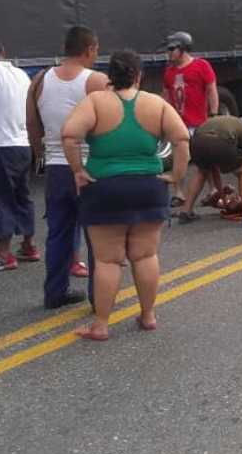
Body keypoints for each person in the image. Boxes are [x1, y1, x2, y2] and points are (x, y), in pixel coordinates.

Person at [61, 50, 190, 340]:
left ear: (111, 76)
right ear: (138, 75)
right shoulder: (156, 104)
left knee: (108, 260)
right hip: (148, 185)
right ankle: (148, 315)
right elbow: (182, 139)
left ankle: (102, 325)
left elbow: (69, 134)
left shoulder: (95, 102)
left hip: (105, 188)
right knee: (145, 255)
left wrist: (78, 170)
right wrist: (176, 176)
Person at [26, 26, 109, 308]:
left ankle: (54, 293)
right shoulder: (96, 80)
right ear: (89, 49)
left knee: (59, 233)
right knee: (98, 236)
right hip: (89, 167)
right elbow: (112, 122)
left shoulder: (39, 80)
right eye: (96, 51)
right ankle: (99, 298)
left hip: (56, 169)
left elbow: (32, 124)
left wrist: (44, 157)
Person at [0, 32, 39, 272]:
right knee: (21, 195)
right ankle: (28, 245)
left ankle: (3, 254)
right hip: (21, 144)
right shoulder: (19, 74)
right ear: (2, 50)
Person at [163, 32, 218, 204]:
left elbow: (211, 90)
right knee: (178, 159)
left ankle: (214, 189)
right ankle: (179, 193)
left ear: (184, 48)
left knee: (205, 157)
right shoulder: (169, 72)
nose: (169, 53)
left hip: (198, 122)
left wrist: (213, 114)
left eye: (172, 49)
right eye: (168, 49)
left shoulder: (201, 66)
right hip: (178, 123)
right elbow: (165, 95)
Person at [178, 116, 242, 228]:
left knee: (202, 172)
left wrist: (222, 196)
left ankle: (185, 212)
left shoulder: (229, 123)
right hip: (221, 140)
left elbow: (214, 169)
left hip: (197, 140)